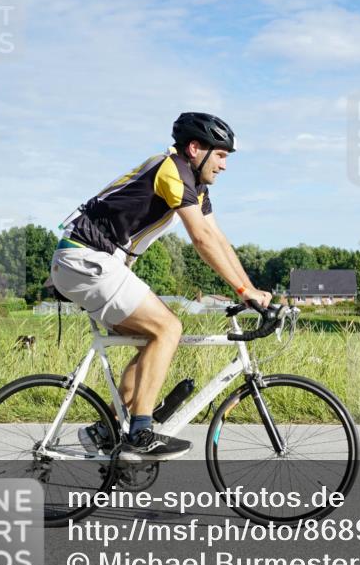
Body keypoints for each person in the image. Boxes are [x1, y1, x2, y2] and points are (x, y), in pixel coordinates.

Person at [50, 113, 272, 461]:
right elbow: (200, 239)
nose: (225, 165)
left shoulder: (195, 184)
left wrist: (250, 289)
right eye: (221, 154)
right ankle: (140, 434)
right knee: (168, 326)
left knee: (154, 338)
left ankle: (105, 428)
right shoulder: (172, 171)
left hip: (92, 262)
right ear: (195, 148)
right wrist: (245, 293)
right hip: (87, 258)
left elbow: (217, 238)